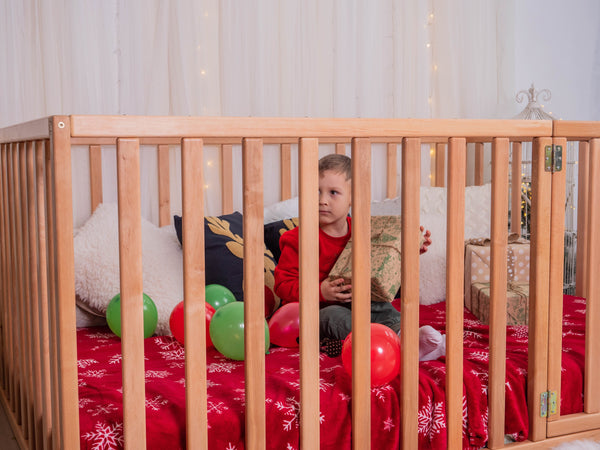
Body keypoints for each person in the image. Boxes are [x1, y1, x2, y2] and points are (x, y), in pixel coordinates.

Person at [274, 154, 446, 361]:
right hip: (317, 309)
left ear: (353, 198)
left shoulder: (365, 230)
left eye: (333, 193)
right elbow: (283, 285)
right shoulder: (296, 239)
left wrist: (408, 248)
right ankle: (391, 344)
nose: (322, 200)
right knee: (334, 317)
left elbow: (384, 261)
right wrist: (320, 291)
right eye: (316, 192)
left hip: (360, 300)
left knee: (383, 306)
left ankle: (409, 337)